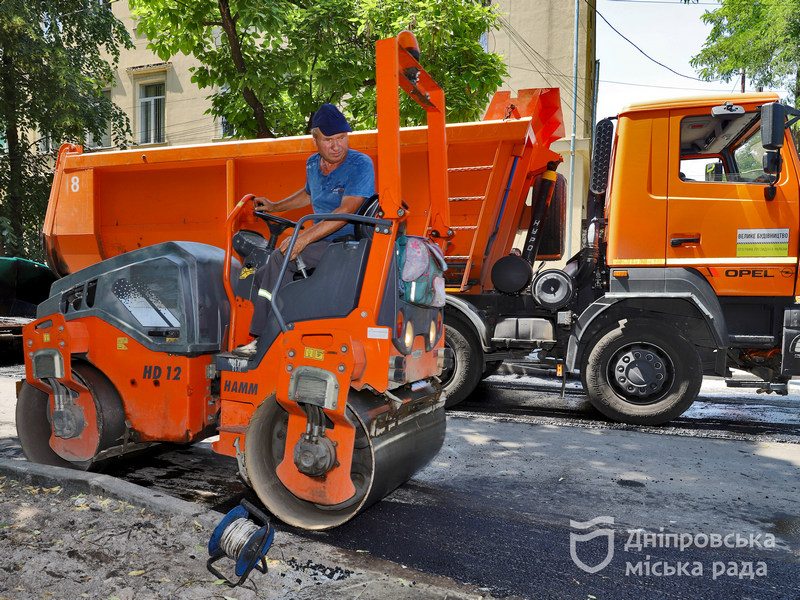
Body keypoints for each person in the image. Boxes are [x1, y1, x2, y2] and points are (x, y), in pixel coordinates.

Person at [234, 104, 375, 357]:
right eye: (329, 140)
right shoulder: (312, 164)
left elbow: (346, 211)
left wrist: (303, 238)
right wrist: (275, 206)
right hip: (321, 242)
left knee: (280, 258)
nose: (337, 146)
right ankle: (290, 323)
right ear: (315, 139)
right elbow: (308, 194)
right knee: (261, 274)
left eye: (342, 138)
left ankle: (264, 339)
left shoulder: (360, 164)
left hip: (346, 245)